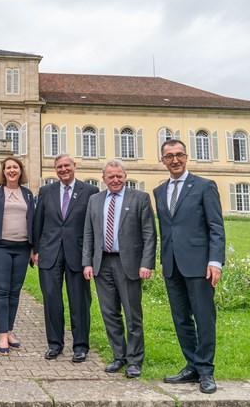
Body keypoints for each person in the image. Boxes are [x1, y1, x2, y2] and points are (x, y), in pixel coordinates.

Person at [154, 139, 225, 394]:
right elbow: (167, 228)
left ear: (186, 157)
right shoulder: (159, 191)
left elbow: (216, 226)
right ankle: (192, 366)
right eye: (169, 156)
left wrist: (215, 261)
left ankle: (206, 370)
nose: (175, 160)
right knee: (181, 319)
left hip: (199, 265)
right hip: (172, 265)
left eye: (179, 155)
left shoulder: (205, 186)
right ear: (162, 160)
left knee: (204, 318)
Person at [82, 160, 156, 378]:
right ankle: (119, 356)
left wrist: (146, 263)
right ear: (103, 178)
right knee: (109, 313)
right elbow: (88, 233)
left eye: (119, 176)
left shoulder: (140, 198)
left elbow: (150, 233)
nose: (115, 180)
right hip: (102, 262)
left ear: (125, 176)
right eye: (110, 176)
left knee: (133, 313)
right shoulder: (94, 200)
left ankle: (134, 360)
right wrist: (87, 262)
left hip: (129, 264)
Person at [33, 153, 99, 362]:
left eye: (67, 166)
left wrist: (92, 257)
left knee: (79, 301)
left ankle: (80, 346)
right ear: (55, 169)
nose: (63, 169)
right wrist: (35, 250)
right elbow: (38, 222)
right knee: (51, 299)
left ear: (74, 166)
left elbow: (93, 226)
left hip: (78, 254)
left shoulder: (90, 191)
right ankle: (55, 344)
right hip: (49, 253)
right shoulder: (46, 191)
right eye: (59, 167)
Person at [0, 156, 34, 355]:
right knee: (2, 289)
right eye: (8, 167)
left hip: (22, 247)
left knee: (15, 291)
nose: (12, 170)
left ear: (20, 171)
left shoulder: (27, 194)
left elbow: (33, 222)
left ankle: (10, 331)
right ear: (3, 171)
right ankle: (2, 334)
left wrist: (33, 249)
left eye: (15, 167)